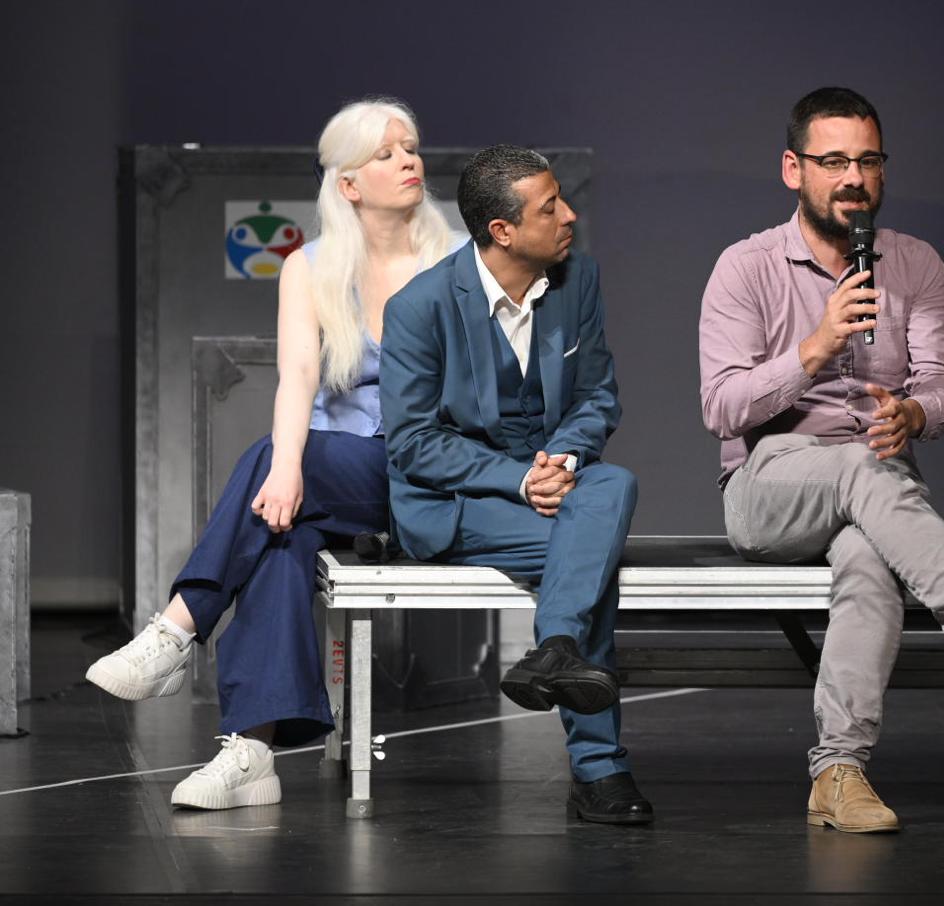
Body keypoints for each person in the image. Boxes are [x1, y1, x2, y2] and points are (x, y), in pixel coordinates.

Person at [699, 86, 944, 834]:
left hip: (880, 494)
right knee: (852, 469)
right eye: (835, 160)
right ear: (794, 169)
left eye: (869, 160)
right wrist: (812, 351)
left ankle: (837, 774)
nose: (854, 177)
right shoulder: (743, 268)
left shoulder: (914, 263)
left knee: (869, 560)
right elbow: (720, 408)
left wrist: (915, 412)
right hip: (769, 486)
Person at [86, 98, 459, 809]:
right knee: (281, 535)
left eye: (410, 147)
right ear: (348, 183)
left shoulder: (455, 263)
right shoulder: (310, 267)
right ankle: (252, 751)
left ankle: (177, 628)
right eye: (386, 153)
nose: (409, 161)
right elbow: (298, 378)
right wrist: (288, 467)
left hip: (423, 473)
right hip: (334, 471)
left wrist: (289, 463)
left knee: (276, 466)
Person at [380, 144, 649, 825]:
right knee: (593, 560)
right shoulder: (421, 306)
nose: (569, 216)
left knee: (610, 484)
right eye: (550, 207)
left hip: (550, 487)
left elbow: (598, 394)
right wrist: (517, 478)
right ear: (502, 231)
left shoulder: (576, 278)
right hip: (457, 502)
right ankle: (599, 770)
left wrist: (562, 454)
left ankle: (553, 650)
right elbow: (412, 443)